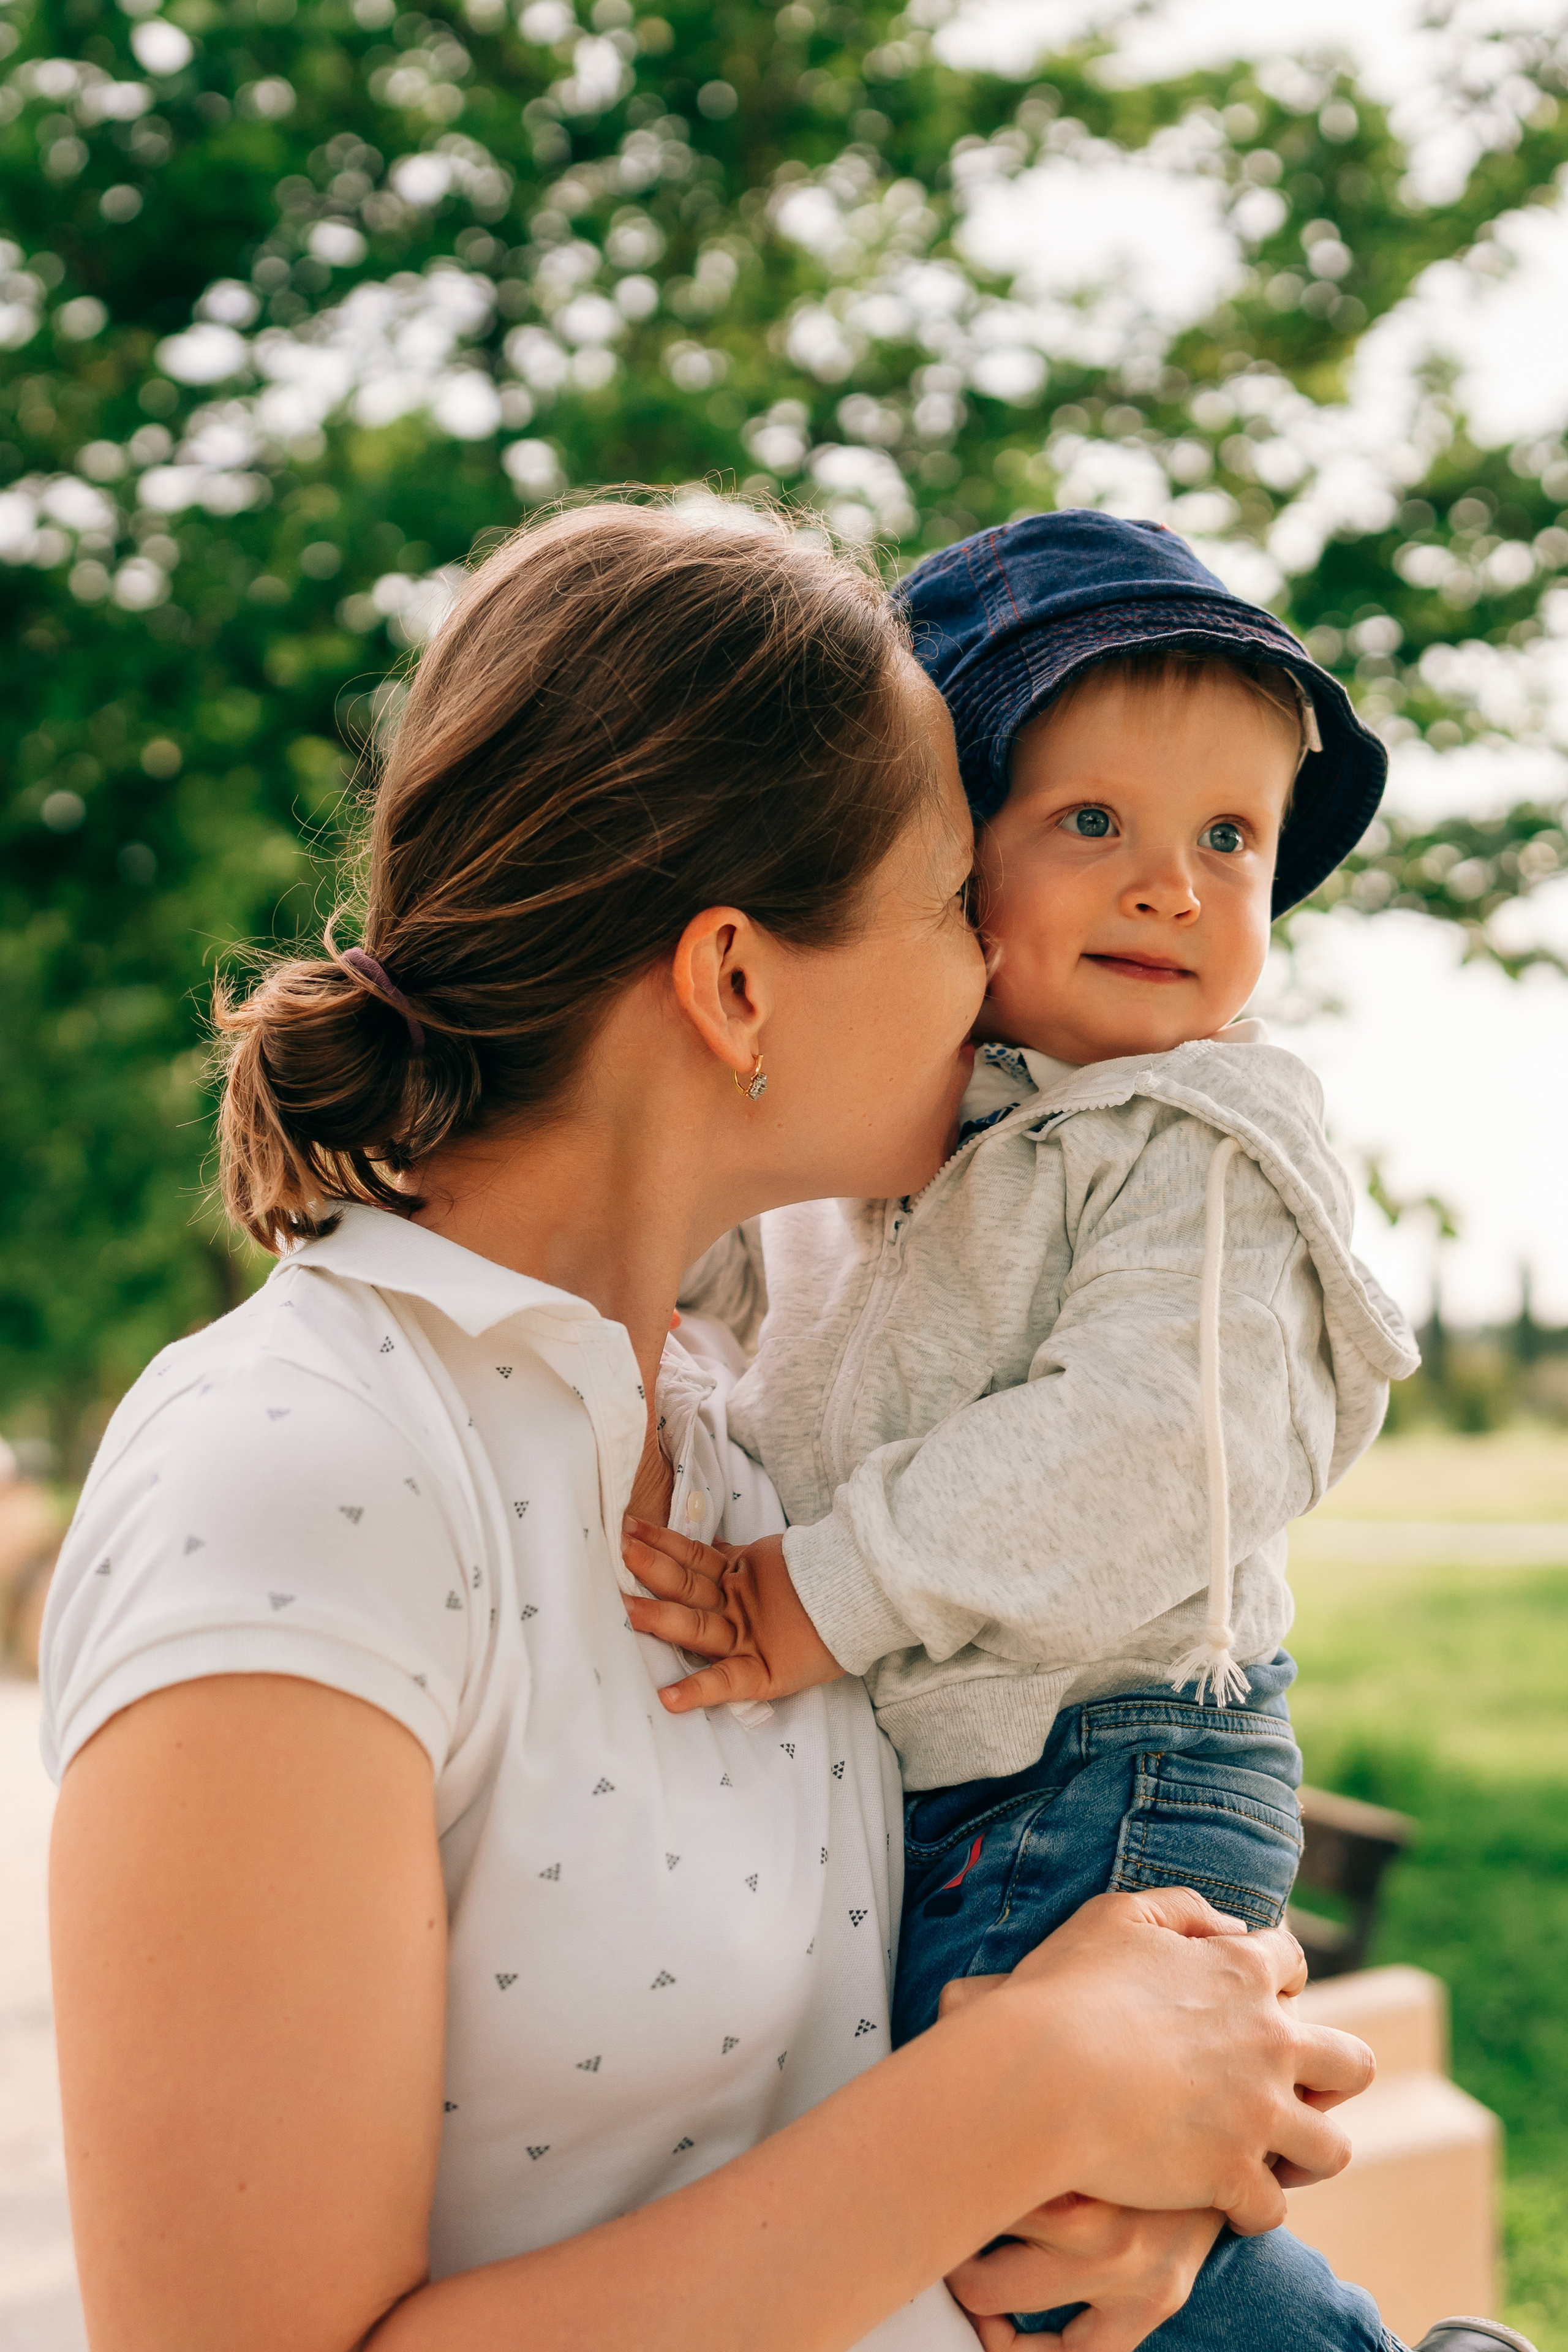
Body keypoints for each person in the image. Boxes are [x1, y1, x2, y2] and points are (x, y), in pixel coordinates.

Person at [39, 497, 1380, 2352]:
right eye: (945, 905)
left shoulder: (742, 1440)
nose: (994, 973)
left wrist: (1151, 2139)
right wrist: (1024, 2099)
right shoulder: (303, 1475)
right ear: (740, 982)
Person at [633, 512, 1453, 2346]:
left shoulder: (1197, 1139)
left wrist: (815, 1592)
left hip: (1113, 1762)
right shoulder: (893, 1144)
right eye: (1095, 823)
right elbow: (745, 1347)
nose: (1173, 886)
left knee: (1050, 2264)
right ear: (941, 862)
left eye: (1229, 841)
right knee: (972, 2231)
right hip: (971, 1763)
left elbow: (1146, 1452)